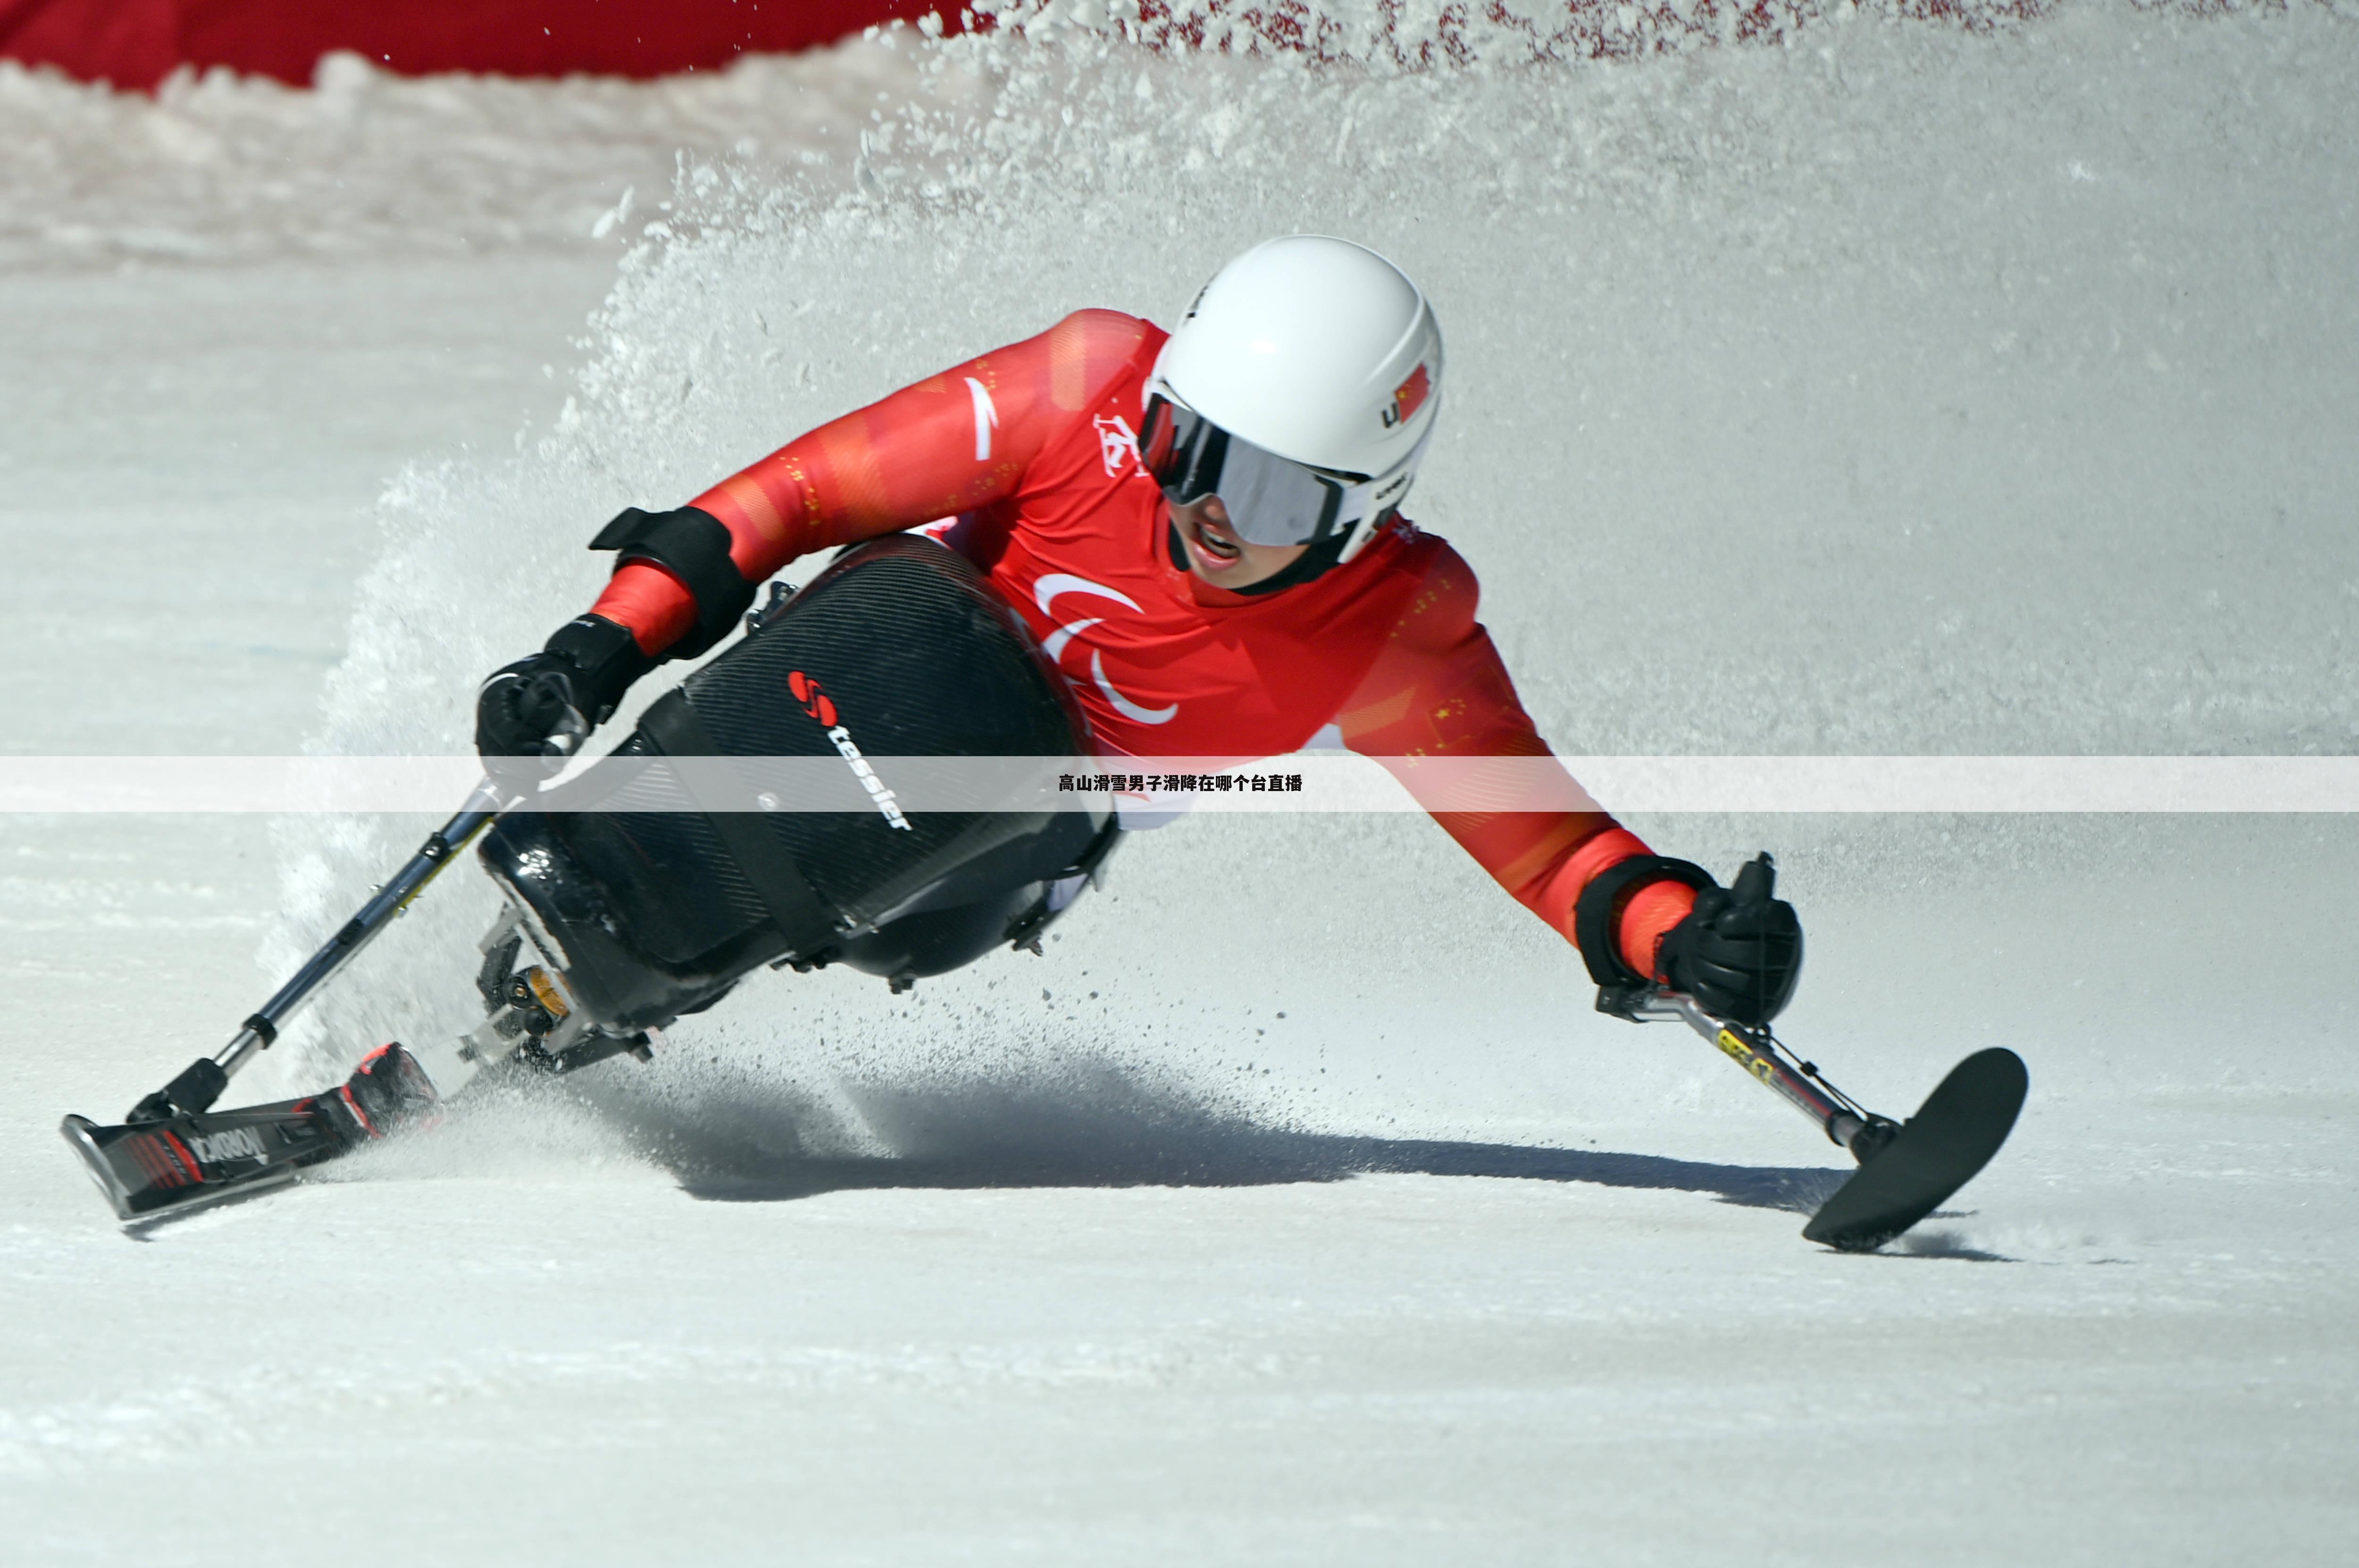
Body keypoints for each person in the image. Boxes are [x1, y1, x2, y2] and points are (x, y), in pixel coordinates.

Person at [477, 235, 1802, 1028]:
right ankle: (559, 927)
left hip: (1023, 829)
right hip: (876, 648)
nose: (1212, 508)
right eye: (1194, 448)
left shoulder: (1394, 629)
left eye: (1275, 491)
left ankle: (627, 970)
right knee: (895, 663)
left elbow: (1557, 846)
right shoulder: (1087, 386)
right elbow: (797, 496)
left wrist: (1674, 935)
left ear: (1367, 510)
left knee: (942, 792)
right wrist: (598, 647)